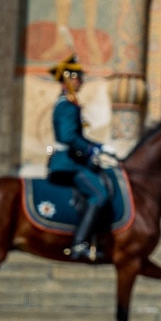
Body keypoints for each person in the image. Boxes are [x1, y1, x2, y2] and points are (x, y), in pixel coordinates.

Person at [47, 55, 107, 261]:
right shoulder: (66, 105)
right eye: (78, 77)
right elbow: (68, 136)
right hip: (68, 163)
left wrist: (98, 147)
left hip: (72, 160)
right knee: (99, 194)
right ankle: (79, 243)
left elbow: (77, 136)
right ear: (69, 79)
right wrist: (90, 150)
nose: (81, 81)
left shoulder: (70, 103)